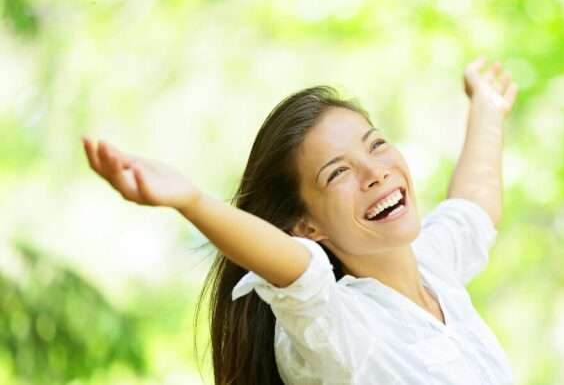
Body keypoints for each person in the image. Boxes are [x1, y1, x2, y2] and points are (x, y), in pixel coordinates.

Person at [82, 56, 518, 384]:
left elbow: (475, 204)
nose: (375, 172)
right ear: (306, 227)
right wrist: (193, 202)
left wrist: (487, 105)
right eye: (338, 172)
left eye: (376, 144)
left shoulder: (434, 268)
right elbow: (297, 272)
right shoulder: (338, 329)